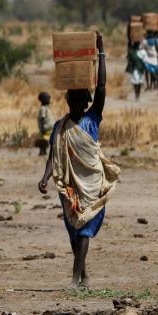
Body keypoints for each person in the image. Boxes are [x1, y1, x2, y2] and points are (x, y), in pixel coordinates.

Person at [38, 32, 120, 289]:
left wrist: (101, 53)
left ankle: (74, 279)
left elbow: (103, 88)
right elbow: (54, 153)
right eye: (72, 97)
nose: (77, 100)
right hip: (69, 185)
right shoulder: (60, 127)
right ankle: (83, 275)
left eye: (81, 97)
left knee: (84, 229)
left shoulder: (92, 118)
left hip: (91, 184)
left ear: (86, 101)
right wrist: (45, 176)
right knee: (74, 231)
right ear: (69, 100)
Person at [36, 92, 55, 156]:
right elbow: (42, 118)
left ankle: (44, 152)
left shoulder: (46, 108)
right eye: (48, 99)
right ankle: (42, 152)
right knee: (44, 142)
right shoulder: (43, 108)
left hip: (49, 129)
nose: (49, 101)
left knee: (47, 141)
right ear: (44, 100)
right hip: (45, 129)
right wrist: (43, 128)